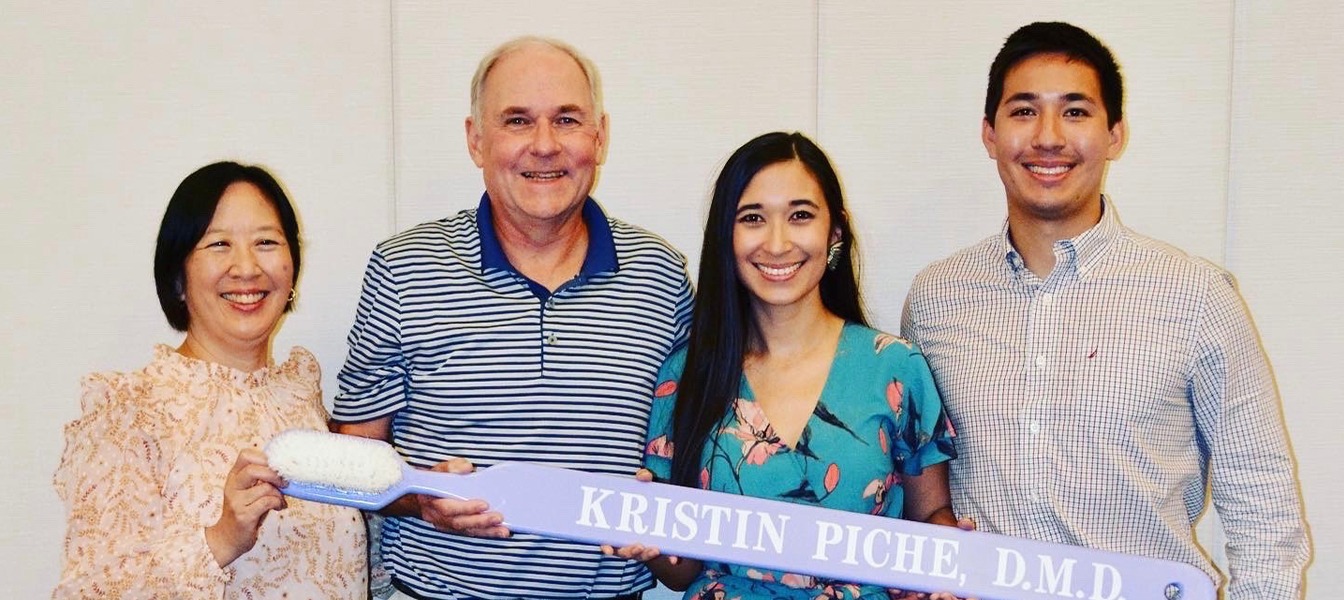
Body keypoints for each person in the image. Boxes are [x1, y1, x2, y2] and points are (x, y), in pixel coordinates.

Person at [900, 21, 1311, 599]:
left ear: (1115, 134)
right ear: (989, 134)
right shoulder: (936, 298)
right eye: (1023, 111)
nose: (1048, 137)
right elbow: (923, 488)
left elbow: (1263, 505)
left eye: (1075, 112)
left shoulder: (1195, 295)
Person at [332, 36, 693, 600]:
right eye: (518, 121)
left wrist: (663, 499)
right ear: (476, 140)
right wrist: (418, 497)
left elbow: (694, 452)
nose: (545, 145)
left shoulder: (661, 277)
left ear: (600, 136)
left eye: (567, 120)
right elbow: (350, 461)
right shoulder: (403, 268)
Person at [607, 131, 961, 600]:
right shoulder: (685, 376)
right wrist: (650, 540)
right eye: (753, 218)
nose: (777, 243)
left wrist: (950, 561)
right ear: (726, 237)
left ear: (834, 232)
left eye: (800, 216)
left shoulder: (896, 368)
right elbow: (681, 572)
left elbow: (932, 515)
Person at [52, 161, 367, 598]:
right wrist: (220, 537)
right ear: (179, 278)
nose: (246, 267)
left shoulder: (300, 392)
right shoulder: (129, 408)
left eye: (266, 242)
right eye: (219, 244)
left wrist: (426, 498)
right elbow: (88, 591)